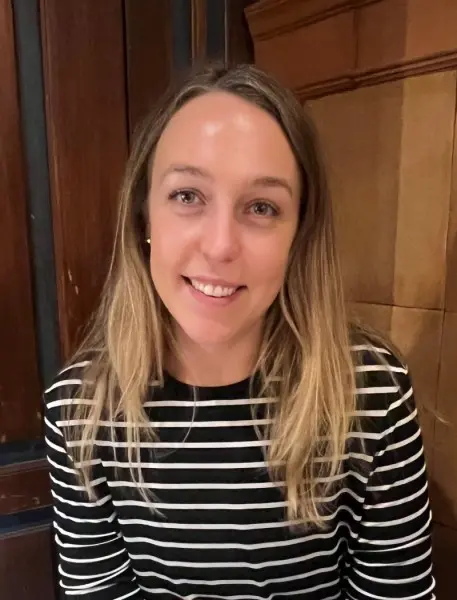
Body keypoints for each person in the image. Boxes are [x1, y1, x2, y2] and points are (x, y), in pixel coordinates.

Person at [44, 63, 435, 600]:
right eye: (187, 196)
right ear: (143, 219)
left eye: (261, 207)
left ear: (299, 234)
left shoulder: (372, 391)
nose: (221, 245)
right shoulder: (80, 406)